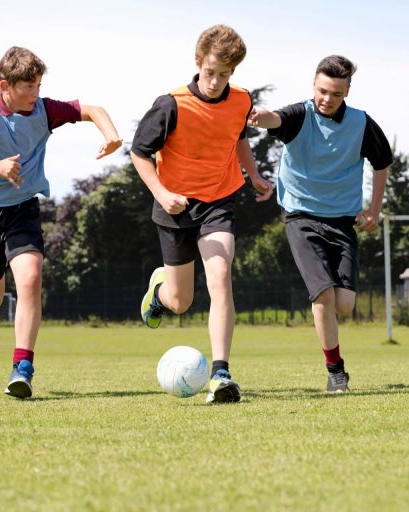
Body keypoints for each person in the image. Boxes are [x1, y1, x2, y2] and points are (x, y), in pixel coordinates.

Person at [0, 46, 122, 398]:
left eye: (38, 85)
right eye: (28, 87)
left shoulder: (44, 110)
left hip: (23, 206)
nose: (36, 94)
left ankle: (22, 366)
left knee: (31, 277)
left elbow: (91, 109)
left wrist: (110, 134)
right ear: (5, 85)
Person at [132, 25, 273, 404]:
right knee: (181, 302)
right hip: (174, 206)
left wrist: (254, 174)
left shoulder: (241, 101)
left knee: (221, 274)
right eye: (210, 72)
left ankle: (221, 373)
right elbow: (140, 154)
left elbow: (239, 139)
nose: (215, 82)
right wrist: (161, 193)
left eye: (224, 75)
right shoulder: (171, 104)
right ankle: (159, 294)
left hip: (219, 201)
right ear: (198, 62)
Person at [248, 55, 393, 393]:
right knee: (323, 296)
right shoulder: (300, 115)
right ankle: (336, 371)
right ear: (313, 85)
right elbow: (276, 118)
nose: (327, 99)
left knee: (344, 304)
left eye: (336, 94)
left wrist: (373, 210)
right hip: (301, 216)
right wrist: (259, 117)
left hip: (342, 221)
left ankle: (333, 355)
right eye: (322, 91)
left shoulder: (361, 124)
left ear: (347, 92)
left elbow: (382, 163)